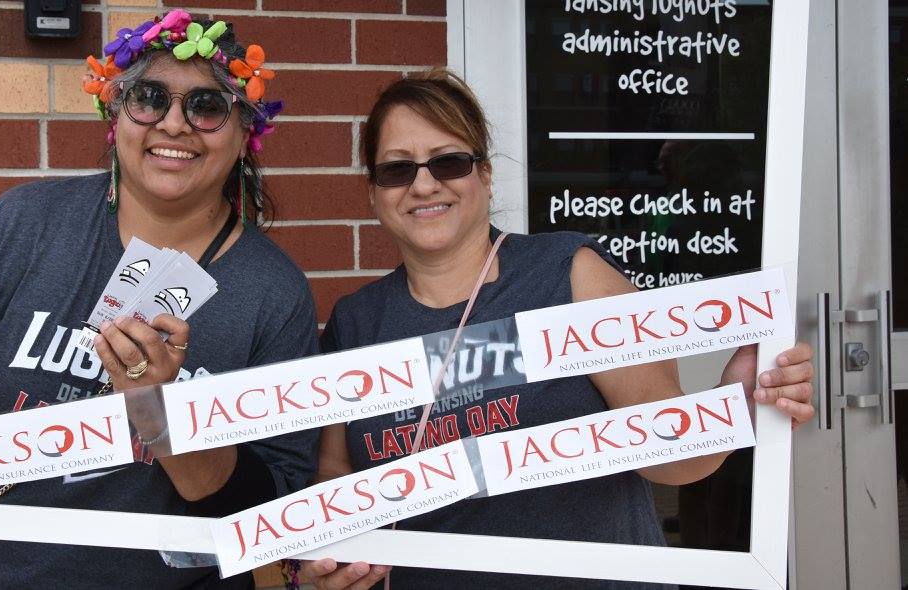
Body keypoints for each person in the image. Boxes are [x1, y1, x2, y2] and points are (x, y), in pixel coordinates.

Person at [0, 9, 316, 589]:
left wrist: (160, 412)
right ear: (115, 113)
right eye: (149, 97)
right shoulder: (24, 224)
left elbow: (268, 512)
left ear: (245, 133)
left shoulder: (273, 292)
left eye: (207, 106)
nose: (174, 124)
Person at [301, 69, 815, 590]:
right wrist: (335, 553)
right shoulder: (358, 321)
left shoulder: (569, 274)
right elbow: (337, 476)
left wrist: (738, 399)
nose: (424, 184)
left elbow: (671, 455)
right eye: (396, 170)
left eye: (448, 161)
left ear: (484, 174)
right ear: (373, 193)